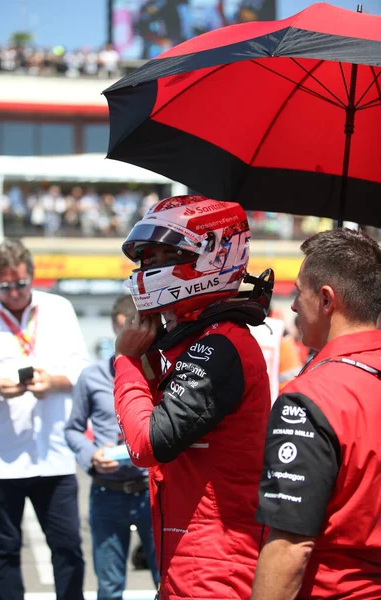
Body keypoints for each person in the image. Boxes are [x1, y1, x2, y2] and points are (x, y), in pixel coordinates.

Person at [113, 195, 273, 599]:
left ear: (212, 256)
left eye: (165, 255)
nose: (148, 268)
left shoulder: (220, 346)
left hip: (215, 567)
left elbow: (147, 444)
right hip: (191, 559)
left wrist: (127, 360)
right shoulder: (201, 341)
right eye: (146, 257)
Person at [252, 228, 381, 600]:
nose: (292, 306)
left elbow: (290, 547)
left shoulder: (312, 396)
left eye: (298, 292)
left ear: (326, 299)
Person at [0, 238, 89, 600]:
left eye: (21, 284)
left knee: (69, 549)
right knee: (4, 552)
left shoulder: (58, 309)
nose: (14, 293)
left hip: (53, 456)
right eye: (5, 286)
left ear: (33, 276)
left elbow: (81, 371)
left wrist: (54, 382)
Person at [65, 294, 159, 600]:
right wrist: (90, 456)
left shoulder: (160, 377)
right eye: (123, 330)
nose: (130, 338)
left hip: (150, 492)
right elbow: (73, 429)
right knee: (108, 586)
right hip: (107, 492)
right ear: (113, 327)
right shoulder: (92, 377)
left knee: (166, 580)